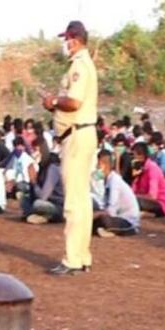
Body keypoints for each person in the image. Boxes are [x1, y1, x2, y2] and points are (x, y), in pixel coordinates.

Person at [42, 20, 99, 276]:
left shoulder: (79, 65)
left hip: (76, 135)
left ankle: (72, 259)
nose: (65, 44)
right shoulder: (84, 64)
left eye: (67, 39)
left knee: (74, 203)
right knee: (82, 201)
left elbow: (73, 102)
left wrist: (53, 101)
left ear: (75, 39)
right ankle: (82, 255)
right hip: (81, 133)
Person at [92, 150, 141, 237]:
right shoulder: (108, 180)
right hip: (116, 217)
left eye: (97, 164)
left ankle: (109, 230)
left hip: (128, 222)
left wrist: (97, 214)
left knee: (103, 220)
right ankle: (105, 230)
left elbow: (111, 211)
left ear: (103, 164)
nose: (96, 167)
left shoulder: (115, 182)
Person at [130, 142, 165, 217]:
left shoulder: (152, 168)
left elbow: (152, 196)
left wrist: (133, 196)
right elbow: (133, 190)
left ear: (141, 156)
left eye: (134, 155)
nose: (132, 158)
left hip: (160, 203)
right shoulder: (140, 168)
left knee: (134, 200)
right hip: (146, 199)